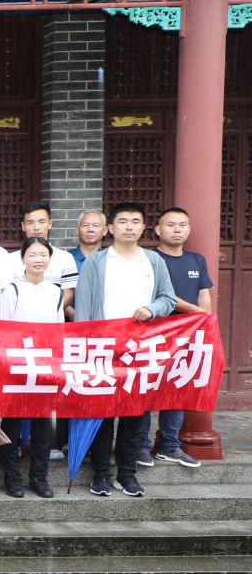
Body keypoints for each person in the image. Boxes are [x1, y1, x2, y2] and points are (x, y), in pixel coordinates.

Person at [72, 203, 176, 498]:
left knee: (135, 415)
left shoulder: (153, 260)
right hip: (103, 349)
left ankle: (127, 474)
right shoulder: (96, 262)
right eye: (122, 221)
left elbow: (168, 299)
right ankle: (100, 474)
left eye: (135, 222)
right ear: (111, 228)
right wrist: (86, 348)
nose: (129, 227)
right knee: (102, 414)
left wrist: (151, 308)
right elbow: (84, 309)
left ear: (143, 228)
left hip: (141, 350)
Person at [0, 237, 62, 499]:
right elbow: (4, 330)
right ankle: (12, 477)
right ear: (23, 258)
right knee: (12, 425)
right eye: (32, 254)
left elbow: (59, 331)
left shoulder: (55, 291)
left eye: (43, 255)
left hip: (46, 366)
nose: (38, 260)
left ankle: (39, 477)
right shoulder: (13, 290)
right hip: (18, 365)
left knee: (43, 427)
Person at [151, 206, 213, 468]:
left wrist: (205, 322)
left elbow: (204, 295)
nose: (177, 230)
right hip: (154, 333)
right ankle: (140, 446)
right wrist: (197, 313)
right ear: (158, 230)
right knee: (146, 388)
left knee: (177, 389)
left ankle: (169, 446)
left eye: (182, 225)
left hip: (188, 335)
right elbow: (164, 295)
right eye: (171, 225)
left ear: (189, 229)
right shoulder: (150, 258)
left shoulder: (197, 260)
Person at [15, 203, 78, 311]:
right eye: (30, 223)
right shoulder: (10, 259)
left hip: (52, 318)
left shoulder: (65, 258)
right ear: (23, 226)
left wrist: (48, 313)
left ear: (50, 224)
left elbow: (68, 294)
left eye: (41, 222)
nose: (36, 227)